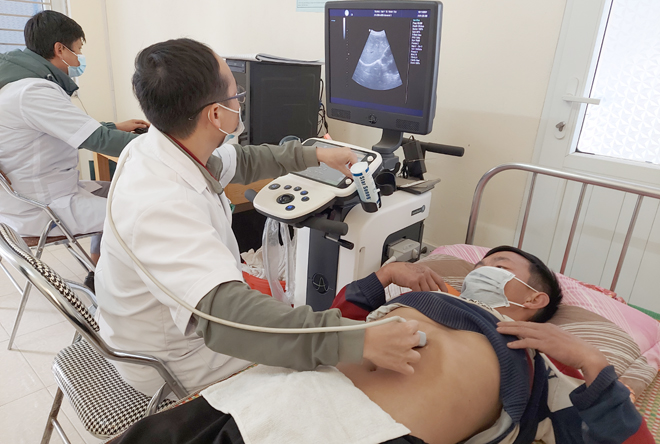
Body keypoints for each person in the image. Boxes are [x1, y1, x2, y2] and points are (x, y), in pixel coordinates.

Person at [95, 37, 433, 398]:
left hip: (153, 326)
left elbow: (243, 161)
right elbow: (227, 322)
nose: (239, 102)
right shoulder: (160, 202)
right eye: (236, 95)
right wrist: (355, 340)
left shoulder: (159, 144)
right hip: (173, 361)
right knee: (333, 381)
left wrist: (316, 154)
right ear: (215, 115)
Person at [106, 246, 653, 444]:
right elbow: (329, 327)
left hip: (369, 431)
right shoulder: (425, 298)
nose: (481, 268)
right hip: (262, 398)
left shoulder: (538, 362)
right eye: (481, 261)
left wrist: (595, 363)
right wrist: (380, 277)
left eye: (500, 265)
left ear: (534, 297)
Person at [0, 10, 148, 283]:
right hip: (42, 207)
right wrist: (169, 145)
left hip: (30, 194)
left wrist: (114, 126)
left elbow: (60, 130)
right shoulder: (33, 91)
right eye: (78, 49)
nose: (79, 58)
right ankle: (109, 283)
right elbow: (97, 140)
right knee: (143, 211)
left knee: (117, 189)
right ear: (60, 49)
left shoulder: (17, 85)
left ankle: (100, 266)